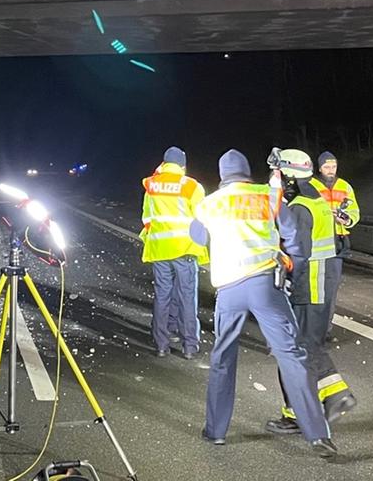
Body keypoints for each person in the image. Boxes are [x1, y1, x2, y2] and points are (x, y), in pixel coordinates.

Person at [189, 149, 336, 457]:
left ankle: (215, 431)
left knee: (223, 357)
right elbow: (293, 234)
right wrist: (293, 264)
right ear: (247, 172)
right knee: (292, 356)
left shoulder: (210, 204)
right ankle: (318, 434)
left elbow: (198, 238)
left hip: (229, 289)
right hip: (266, 285)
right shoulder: (267, 195)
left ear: (222, 176)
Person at [264, 149, 357, 436]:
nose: (276, 178)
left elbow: (299, 253)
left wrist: (285, 274)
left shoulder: (301, 208)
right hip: (320, 281)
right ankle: (298, 410)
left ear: (290, 175)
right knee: (301, 346)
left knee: (298, 346)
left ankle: (336, 394)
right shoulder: (314, 200)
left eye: (279, 173)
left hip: (309, 284)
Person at [139, 146, 208, 358]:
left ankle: (161, 344)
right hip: (185, 250)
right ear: (183, 166)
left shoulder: (152, 185)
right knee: (187, 297)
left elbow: (147, 219)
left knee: (162, 296)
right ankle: (189, 347)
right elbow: (203, 218)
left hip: (160, 250)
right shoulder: (191, 186)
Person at [311, 151, 360, 346]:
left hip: (338, 243)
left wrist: (346, 219)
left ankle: (326, 329)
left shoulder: (345, 186)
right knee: (315, 289)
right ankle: (311, 327)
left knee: (331, 289)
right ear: (320, 167)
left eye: (334, 166)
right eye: (327, 167)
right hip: (315, 244)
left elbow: (354, 210)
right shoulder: (311, 186)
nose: (331, 170)